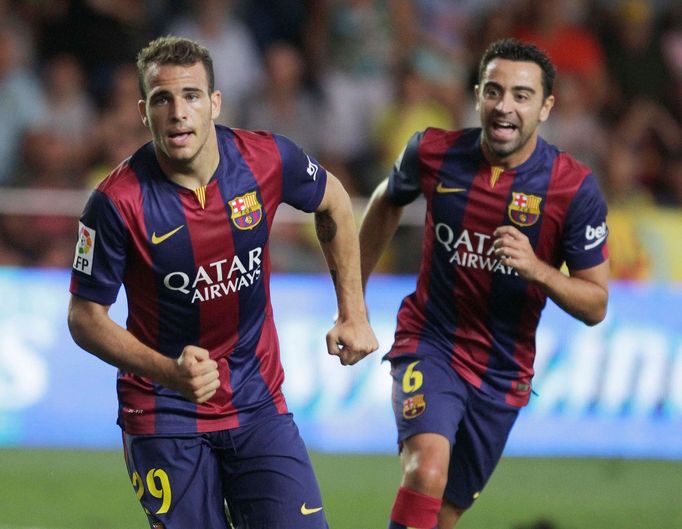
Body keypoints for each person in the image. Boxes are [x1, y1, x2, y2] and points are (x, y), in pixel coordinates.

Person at [67, 35, 378, 529]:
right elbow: (84, 317)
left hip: (257, 405)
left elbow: (335, 201)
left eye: (191, 95)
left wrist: (354, 313)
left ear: (214, 103)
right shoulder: (114, 203)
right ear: (144, 112)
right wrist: (169, 371)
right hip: (163, 415)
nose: (178, 112)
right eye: (162, 99)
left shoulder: (267, 159)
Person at [359, 38, 609, 529]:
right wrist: (351, 301)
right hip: (430, 343)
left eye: (521, 95)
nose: (504, 106)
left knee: (445, 511)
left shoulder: (573, 188)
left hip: (503, 371)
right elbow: (387, 200)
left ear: (545, 107)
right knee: (426, 468)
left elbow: (596, 303)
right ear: (477, 95)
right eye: (493, 91)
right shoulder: (433, 152)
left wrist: (537, 269)